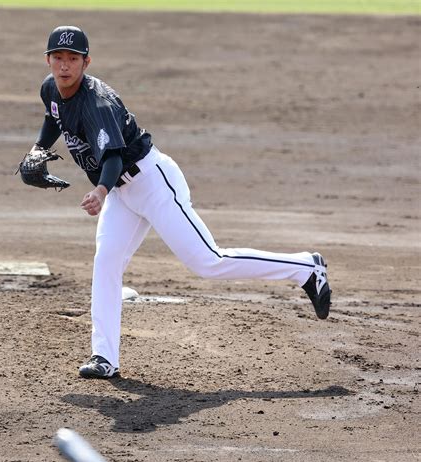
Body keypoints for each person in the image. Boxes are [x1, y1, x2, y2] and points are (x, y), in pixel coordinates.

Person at [27, 25, 332, 379]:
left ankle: (307, 268)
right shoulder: (51, 88)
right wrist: (37, 150)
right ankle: (104, 356)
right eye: (58, 58)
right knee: (106, 263)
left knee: (208, 262)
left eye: (73, 59)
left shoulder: (97, 102)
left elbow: (112, 157)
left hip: (153, 183)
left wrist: (100, 191)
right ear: (48, 60)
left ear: (86, 61)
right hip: (122, 194)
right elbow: (54, 118)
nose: (64, 65)